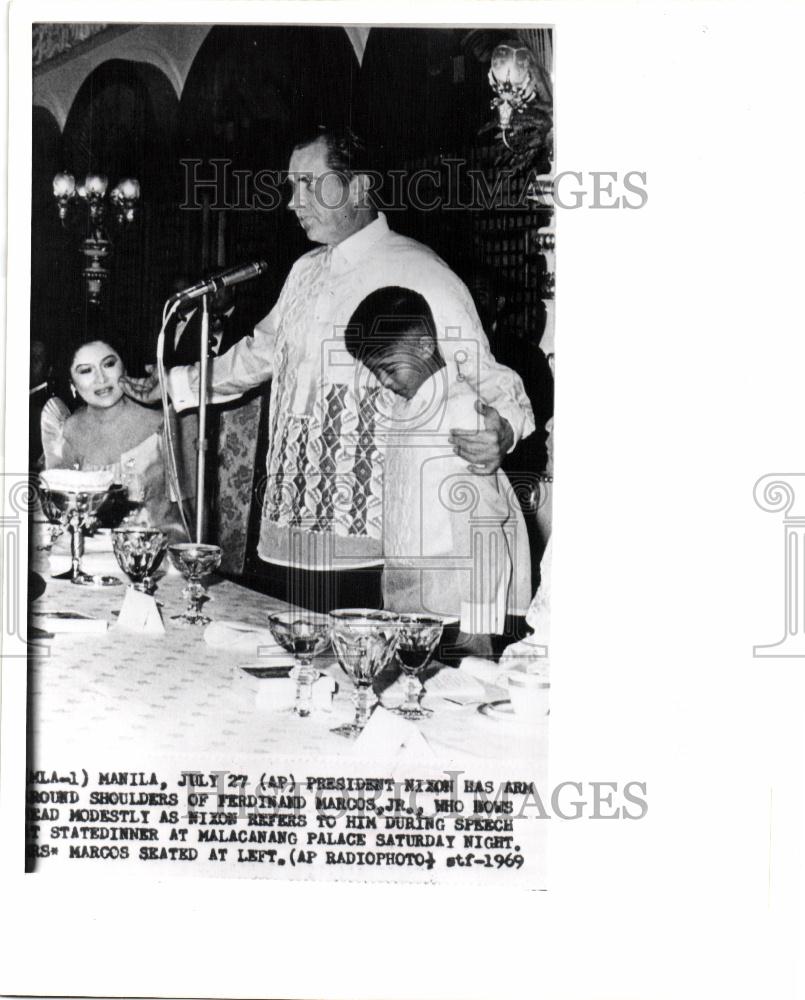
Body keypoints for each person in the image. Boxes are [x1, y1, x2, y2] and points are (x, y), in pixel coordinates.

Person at [123, 127, 536, 613]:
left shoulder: (422, 271)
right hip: (288, 533)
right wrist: (171, 384)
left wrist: (503, 430)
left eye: (307, 183)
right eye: (291, 186)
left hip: (371, 547)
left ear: (357, 186)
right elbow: (260, 354)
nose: (293, 202)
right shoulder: (304, 270)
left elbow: (494, 380)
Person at [344, 287, 531, 654]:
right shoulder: (406, 407)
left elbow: (484, 523)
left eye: (389, 368)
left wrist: (478, 629)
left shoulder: (461, 411)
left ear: (425, 345)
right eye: (374, 371)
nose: (383, 381)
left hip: (459, 615)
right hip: (414, 609)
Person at [42, 337, 186, 530]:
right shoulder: (67, 431)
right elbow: (60, 511)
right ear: (72, 383)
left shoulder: (165, 425)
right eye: (86, 370)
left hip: (153, 551)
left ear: (124, 367)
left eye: (109, 364)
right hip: (87, 553)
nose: (101, 378)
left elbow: (189, 518)